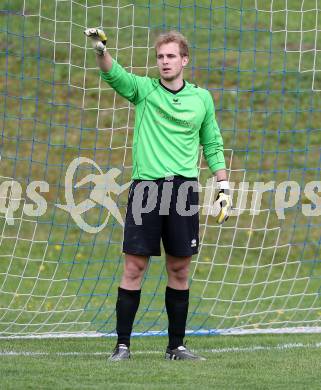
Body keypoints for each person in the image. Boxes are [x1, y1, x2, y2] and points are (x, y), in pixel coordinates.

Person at [84, 28, 232, 361]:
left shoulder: (201, 99)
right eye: (160, 57)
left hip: (183, 191)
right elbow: (116, 76)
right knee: (134, 266)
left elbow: (213, 144)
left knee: (179, 269)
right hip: (147, 188)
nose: (164, 62)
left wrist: (223, 185)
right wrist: (100, 51)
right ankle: (122, 345)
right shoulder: (145, 91)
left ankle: (176, 346)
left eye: (170, 56)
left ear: (184, 60)